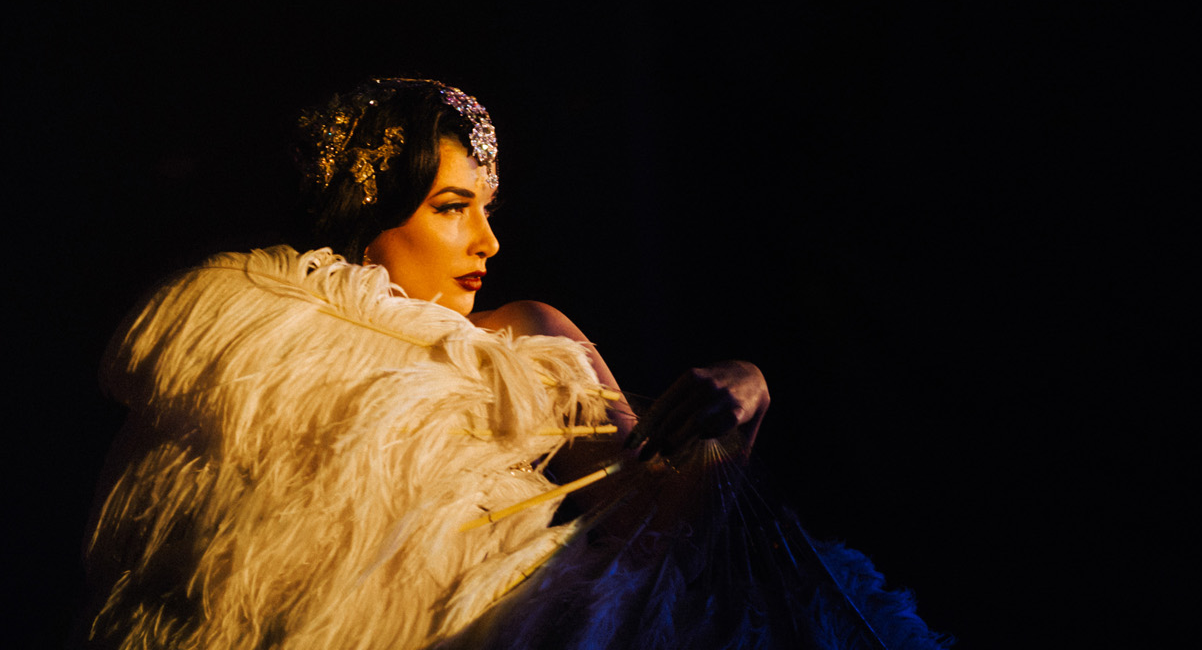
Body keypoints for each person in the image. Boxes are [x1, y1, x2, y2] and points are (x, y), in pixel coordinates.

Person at [82, 78, 946, 650]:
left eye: (487, 209)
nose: (488, 242)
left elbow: (653, 530)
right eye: (453, 208)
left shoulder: (520, 334)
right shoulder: (265, 351)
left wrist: (748, 393)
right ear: (369, 215)